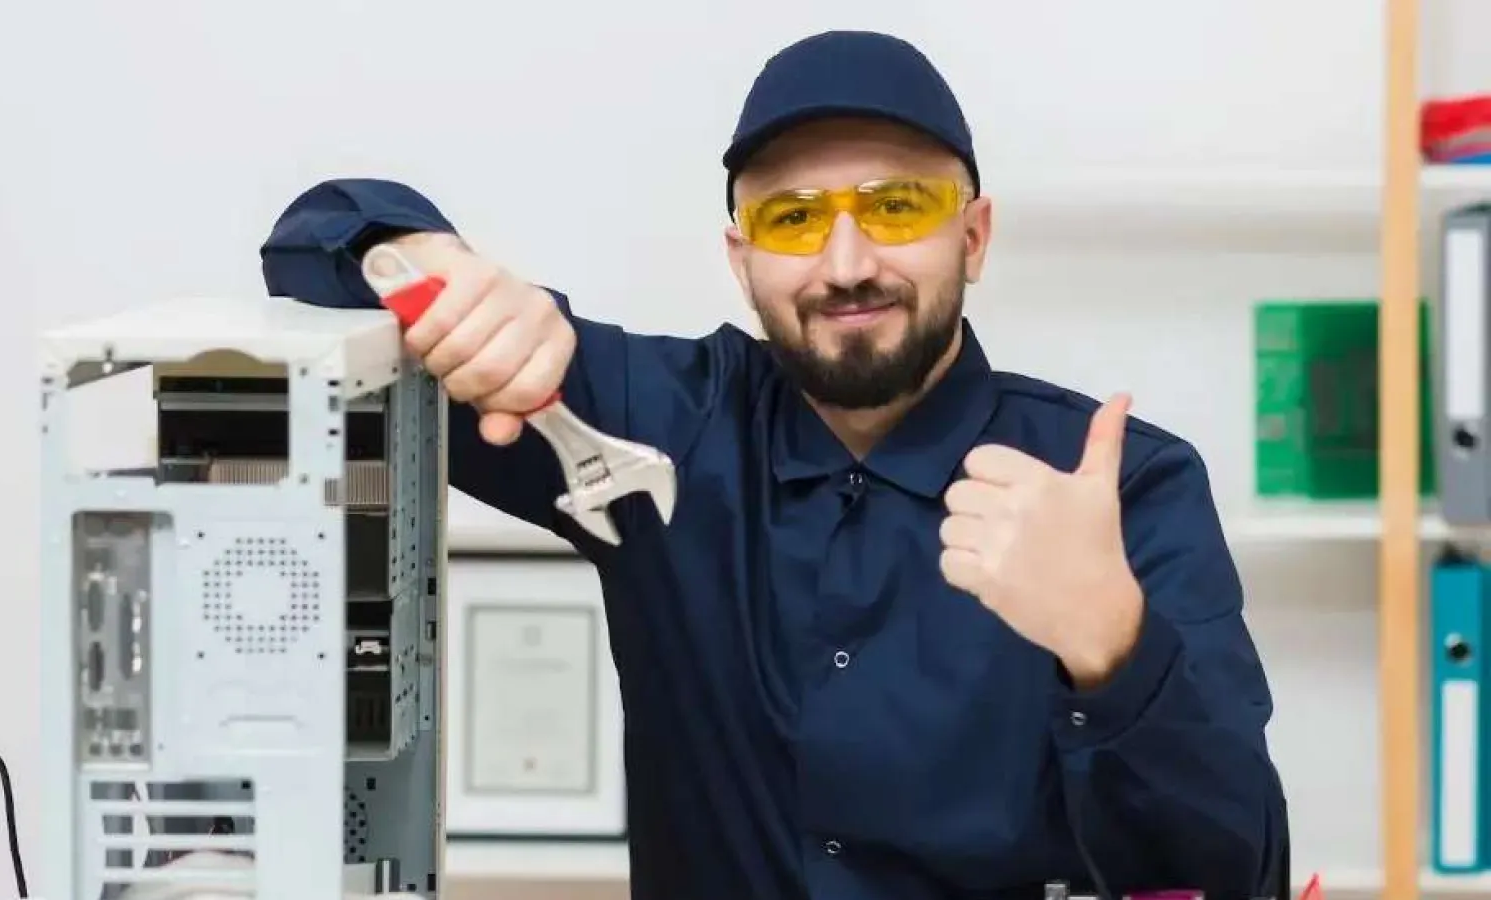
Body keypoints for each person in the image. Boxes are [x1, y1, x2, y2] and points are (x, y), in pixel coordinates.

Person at [260, 29, 1289, 900]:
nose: (846, 265)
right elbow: (312, 249)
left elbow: (1237, 866)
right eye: (793, 219)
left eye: (895, 208)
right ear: (740, 255)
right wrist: (426, 263)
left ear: (972, 236)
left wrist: (1111, 645)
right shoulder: (654, 422)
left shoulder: (1116, 490)